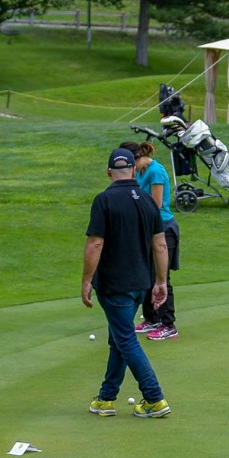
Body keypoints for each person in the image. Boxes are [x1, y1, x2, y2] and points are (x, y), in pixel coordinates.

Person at [82, 146, 172, 418]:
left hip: (113, 284)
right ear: (133, 169)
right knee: (118, 339)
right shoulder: (147, 200)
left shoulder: (103, 200)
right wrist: (160, 282)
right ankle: (107, 398)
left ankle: (155, 399)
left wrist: (86, 280)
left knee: (125, 339)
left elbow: (95, 243)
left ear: (109, 171)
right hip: (140, 284)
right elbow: (160, 245)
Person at [122, 140, 180, 341]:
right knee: (146, 275)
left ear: (135, 159)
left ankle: (168, 324)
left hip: (162, 229)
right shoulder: (139, 172)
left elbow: (154, 207)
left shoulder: (155, 171)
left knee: (161, 276)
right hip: (147, 230)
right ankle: (152, 318)